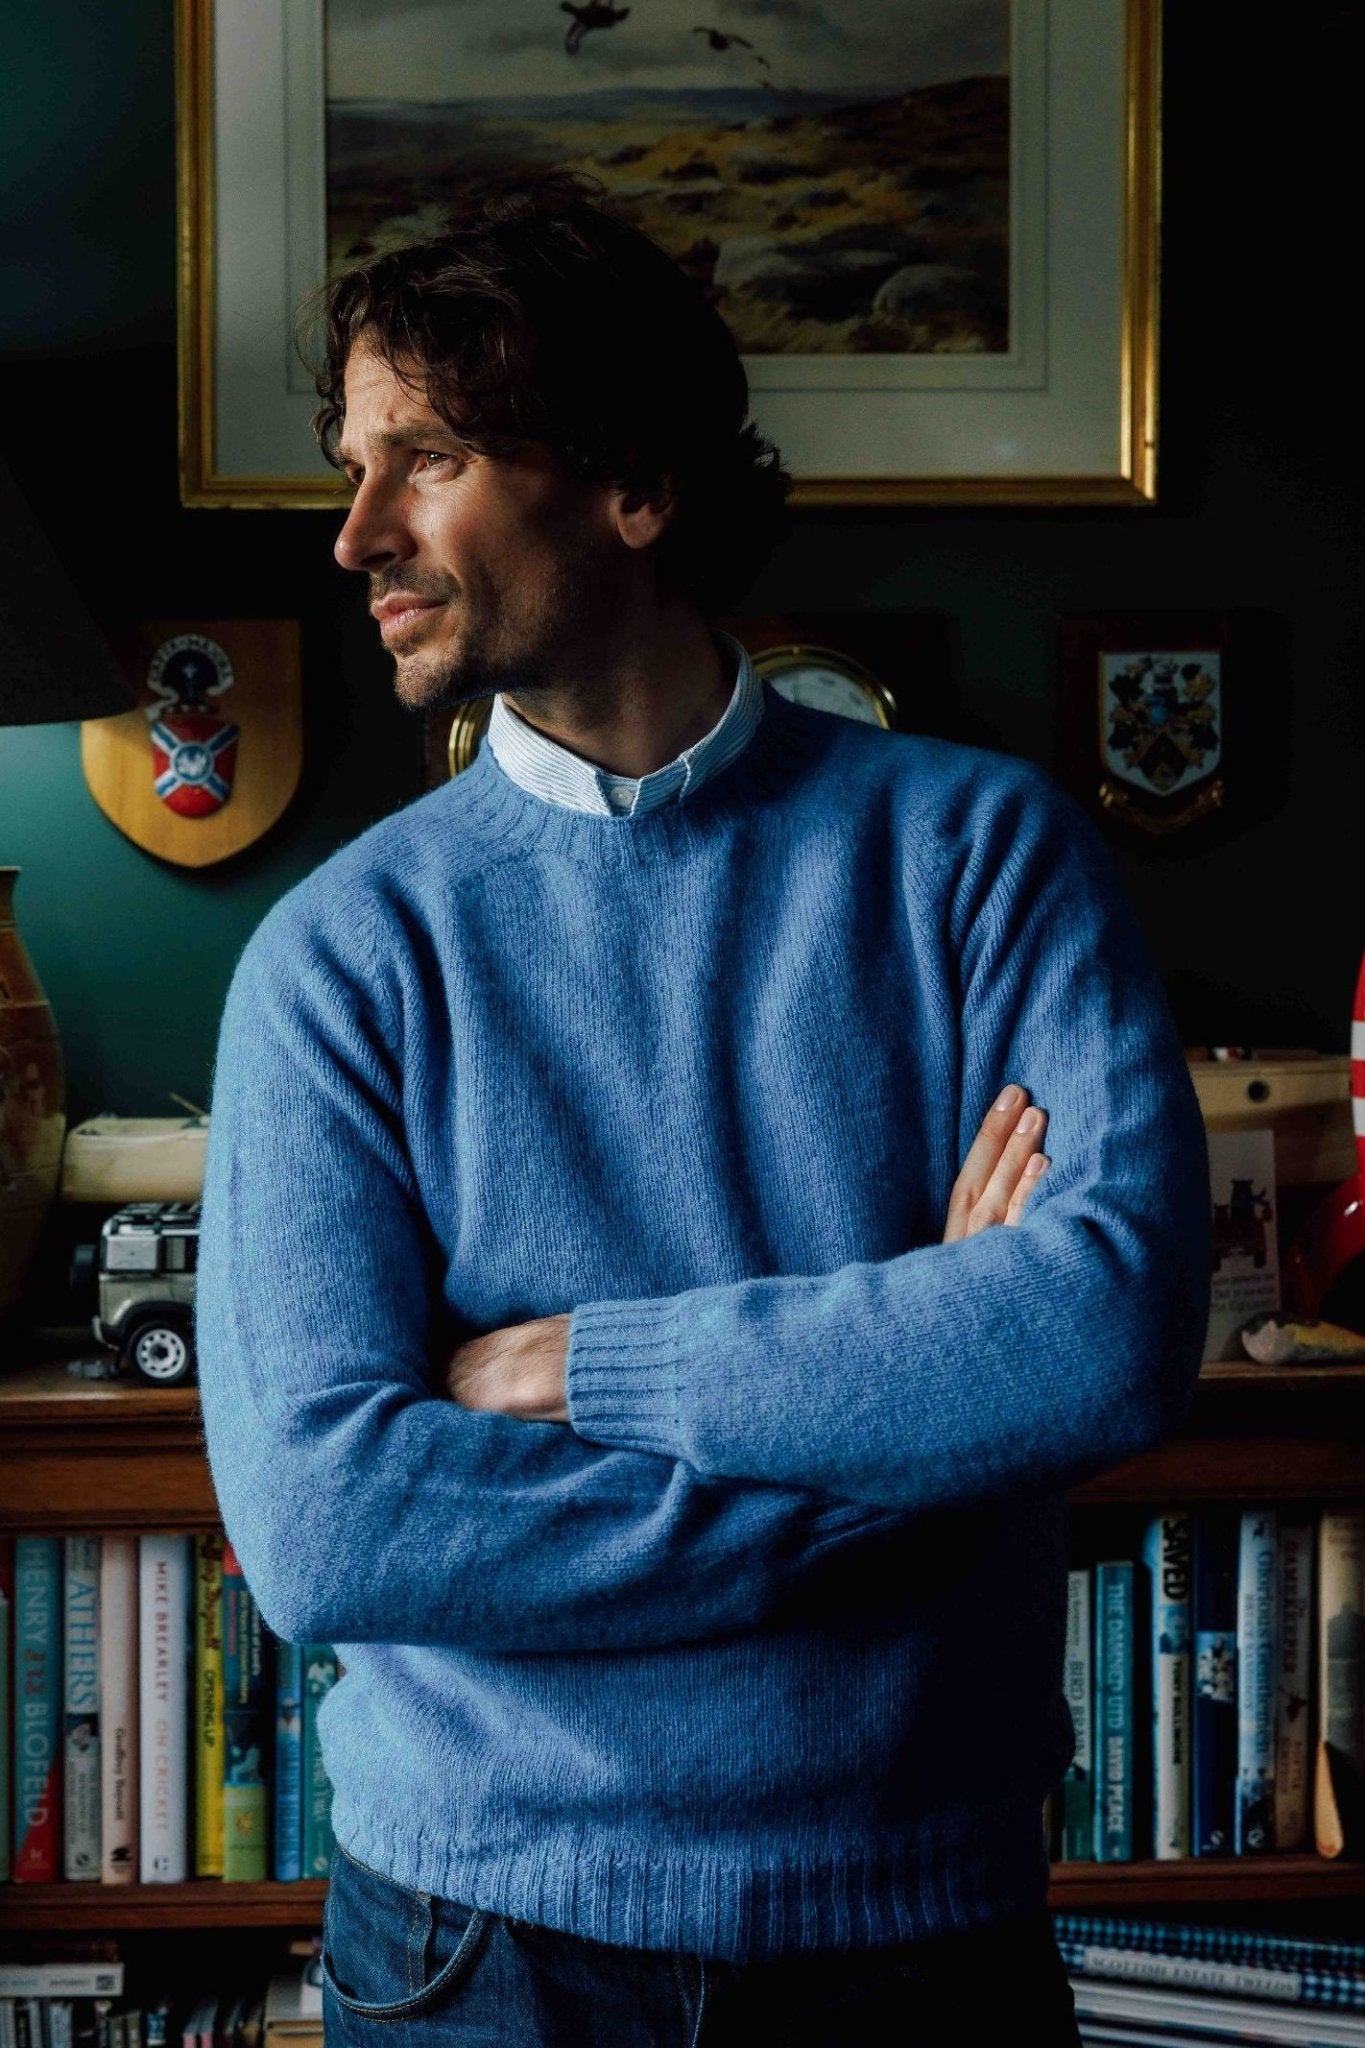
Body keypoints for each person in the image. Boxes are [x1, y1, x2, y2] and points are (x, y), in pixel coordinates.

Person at [195, 173, 1210, 2045]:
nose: (354, 535)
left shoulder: (982, 859)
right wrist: (903, 1457)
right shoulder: (337, 957)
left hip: (920, 1938)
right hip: (476, 1956)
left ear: (631, 485)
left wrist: (577, 1367)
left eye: (422, 461)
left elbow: (1100, 1333)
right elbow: (333, 1529)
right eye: (354, 463)